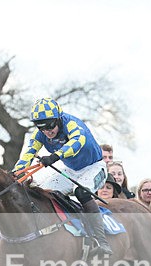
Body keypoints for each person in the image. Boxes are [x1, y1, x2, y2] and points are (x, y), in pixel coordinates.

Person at [13, 97, 111, 257]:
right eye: (41, 127)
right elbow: (28, 154)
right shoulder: (39, 135)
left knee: (81, 192)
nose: (47, 131)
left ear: (58, 118)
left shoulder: (71, 123)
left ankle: (102, 241)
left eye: (50, 125)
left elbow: (77, 142)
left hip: (94, 167)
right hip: (71, 170)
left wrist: (54, 156)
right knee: (42, 192)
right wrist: (16, 172)